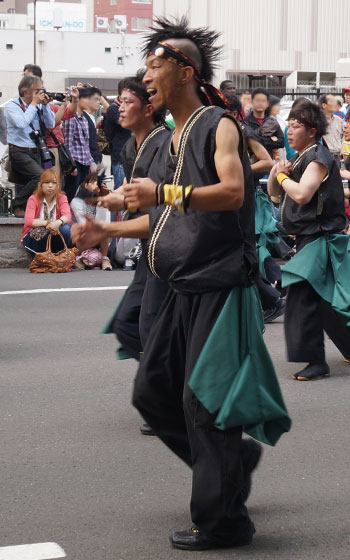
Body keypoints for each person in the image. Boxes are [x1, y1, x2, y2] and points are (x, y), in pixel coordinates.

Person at [122, 16, 291, 551]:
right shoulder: (171, 138)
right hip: (181, 283)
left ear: (185, 70)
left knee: (206, 403)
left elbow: (233, 193)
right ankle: (234, 462)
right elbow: (170, 214)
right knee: (153, 391)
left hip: (219, 285)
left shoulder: (218, 123)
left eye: (156, 64)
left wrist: (165, 195)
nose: (146, 75)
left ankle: (224, 520)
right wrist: (109, 226)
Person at [268, 99, 350, 381]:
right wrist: (276, 174)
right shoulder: (301, 157)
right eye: (288, 125)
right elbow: (276, 195)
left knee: (302, 294)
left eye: (296, 126)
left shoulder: (318, 157)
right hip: (309, 239)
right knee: (325, 299)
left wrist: (280, 176)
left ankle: (316, 361)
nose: (289, 131)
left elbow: (302, 194)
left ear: (312, 130)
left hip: (321, 239)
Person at [5, 74, 55, 216]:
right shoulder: (11, 106)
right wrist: (33, 104)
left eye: (42, 90)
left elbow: (51, 124)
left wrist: (45, 106)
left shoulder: (38, 106)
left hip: (36, 150)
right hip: (19, 151)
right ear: (25, 91)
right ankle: (17, 204)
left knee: (38, 182)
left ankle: (26, 209)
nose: (41, 94)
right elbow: (21, 123)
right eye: (37, 91)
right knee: (41, 178)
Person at [21, 168, 71, 254]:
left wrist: (58, 222)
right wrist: (48, 224)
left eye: (54, 183)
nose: (50, 186)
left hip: (53, 237)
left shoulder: (62, 198)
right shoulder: (33, 199)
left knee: (65, 229)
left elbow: (67, 216)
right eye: (47, 182)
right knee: (41, 230)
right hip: (33, 239)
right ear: (40, 184)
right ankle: (41, 258)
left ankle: (59, 255)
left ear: (58, 185)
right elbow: (29, 221)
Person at [70, 171, 112, 270]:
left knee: (103, 229)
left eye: (97, 183)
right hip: (81, 237)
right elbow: (83, 224)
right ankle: (78, 258)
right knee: (82, 231)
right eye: (92, 183)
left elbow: (104, 222)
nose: (95, 186)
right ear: (85, 185)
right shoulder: (76, 202)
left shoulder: (101, 202)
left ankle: (105, 259)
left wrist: (102, 201)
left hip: (96, 235)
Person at [61, 87, 94, 203]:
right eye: (86, 98)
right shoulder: (70, 118)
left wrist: (89, 164)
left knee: (78, 195)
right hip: (76, 162)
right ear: (78, 99)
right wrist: (72, 165)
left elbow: (86, 143)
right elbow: (67, 143)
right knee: (69, 193)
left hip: (85, 161)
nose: (89, 102)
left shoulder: (84, 118)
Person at [45, 86, 80, 177]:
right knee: (52, 182)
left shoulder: (51, 106)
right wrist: (64, 104)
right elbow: (52, 124)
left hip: (58, 148)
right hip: (49, 150)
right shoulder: (37, 108)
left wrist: (74, 99)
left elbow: (70, 113)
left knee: (58, 184)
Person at [103, 87, 131, 192]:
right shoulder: (113, 109)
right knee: (120, 189)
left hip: (129, 156)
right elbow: (124, 122)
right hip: (119, 156)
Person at [244, 88, 285, 159]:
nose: (260, 103)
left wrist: (257, 140)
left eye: (263, 101)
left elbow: (281, 142)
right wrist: (270, 140)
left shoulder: (272, 121)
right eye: (257, 100)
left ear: (267, 104)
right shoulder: (245, 121)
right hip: (252, 163)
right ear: (252, 102)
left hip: (269, 163)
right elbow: (245, 143)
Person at [318, 93, 343, 167]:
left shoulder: (339, 120)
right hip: (323, 156)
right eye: (332, 102)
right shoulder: (318, 121)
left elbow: (343, 137)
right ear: (324, 105)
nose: (335, 104)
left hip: (337, 156)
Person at [83, 87, 104, 171]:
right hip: (89, 160)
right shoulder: (83, 117)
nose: (98, 102)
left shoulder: (93, 117)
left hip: (96, 157)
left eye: (99, 100)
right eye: (96, 99)